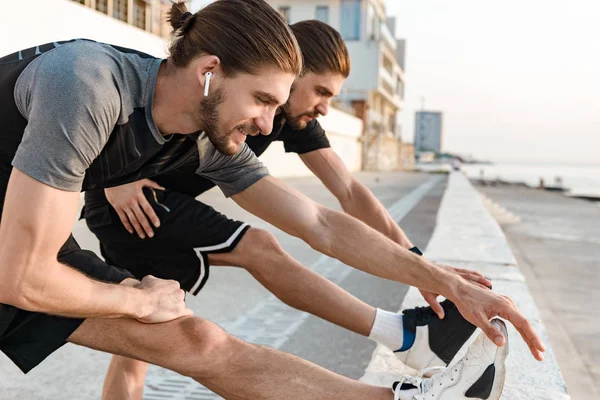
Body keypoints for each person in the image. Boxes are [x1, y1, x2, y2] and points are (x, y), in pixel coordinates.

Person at [0, 2, 542, 400]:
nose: (266, 124)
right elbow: (22, 280)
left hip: (15, 248)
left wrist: (443, 280)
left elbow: (322, 224)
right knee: (162, 317)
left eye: (276, 105)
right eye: (261, 99)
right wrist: (137, 300)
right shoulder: (88, 86)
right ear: (209, 72)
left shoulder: (209, 138)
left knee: (194, 338)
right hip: (16, 263)